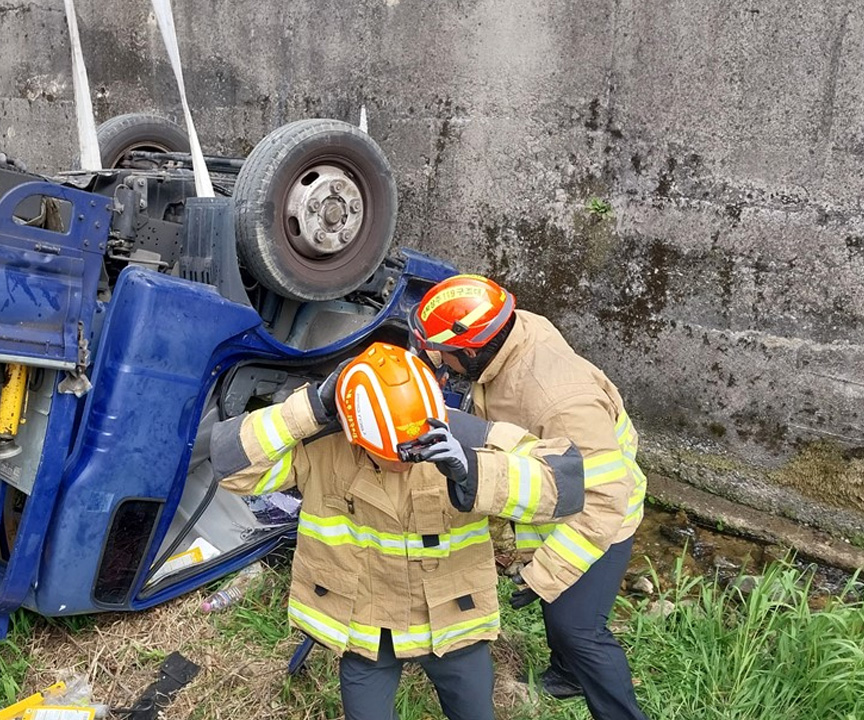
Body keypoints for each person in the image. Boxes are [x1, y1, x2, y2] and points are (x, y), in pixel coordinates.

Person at [210, 342, 586, 720]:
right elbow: (232, 467)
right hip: (366, 629)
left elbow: (564, 486)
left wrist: (474, 471)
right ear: (354, 431)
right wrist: (308, 410)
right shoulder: (322, 446)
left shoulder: (464, 435)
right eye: (390, 455)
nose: (404, 462)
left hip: (452, 621)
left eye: (413, 451)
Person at [408, 274, 649, 720]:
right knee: (561, 610)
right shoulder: (511, 333)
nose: (435, 358)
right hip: (559, 491)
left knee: (577, 626)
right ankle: (567, 676)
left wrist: (545, 573)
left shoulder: (559, 400)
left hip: (604, 511)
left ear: (476, 350)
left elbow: (603, 498)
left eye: (443, 353)